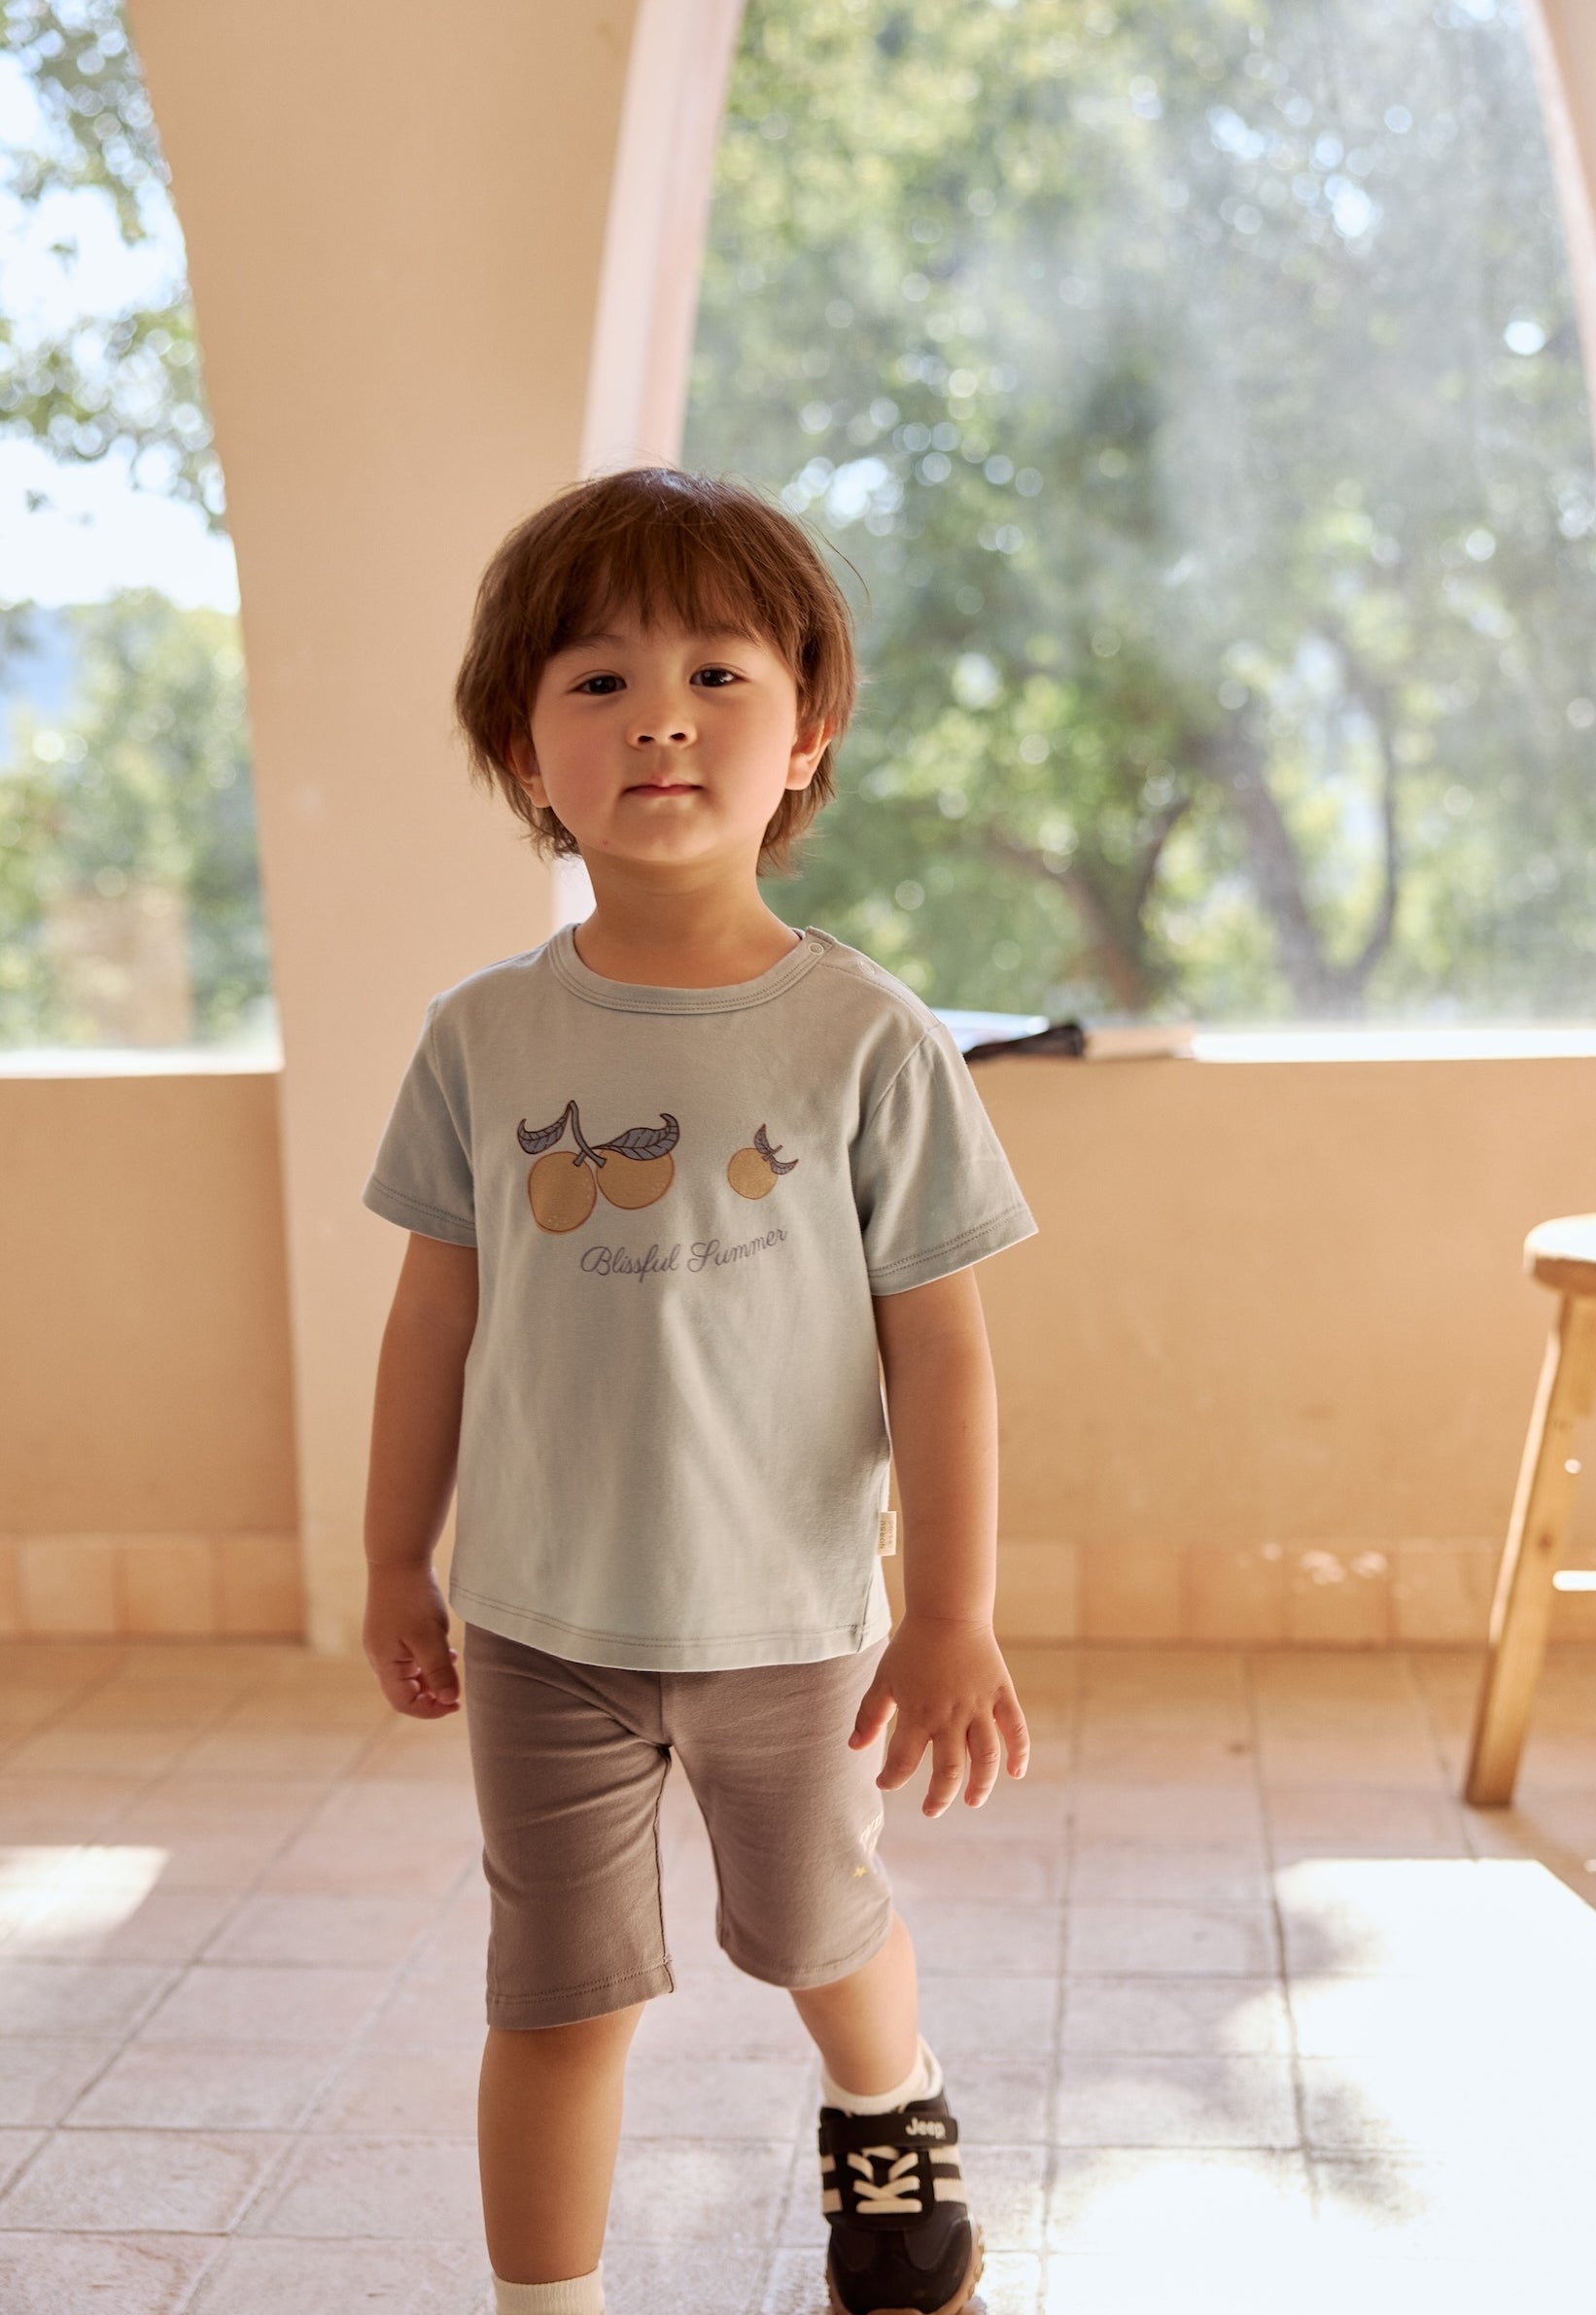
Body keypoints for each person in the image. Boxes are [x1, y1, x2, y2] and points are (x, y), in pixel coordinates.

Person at [360, 466, 1037, 2315]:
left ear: (804, 728)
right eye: (595, 679)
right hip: (538, 1620)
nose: (658, 712)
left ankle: (883, 2107)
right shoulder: (479, 1037)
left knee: (817, 1932)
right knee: (559, 1995)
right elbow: (431, 1318)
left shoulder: (869, 1037)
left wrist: (954, 1610)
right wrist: (389, 1563)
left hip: (795, 1623)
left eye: (717, 672)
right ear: (526, 749)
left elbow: (942, 1346)